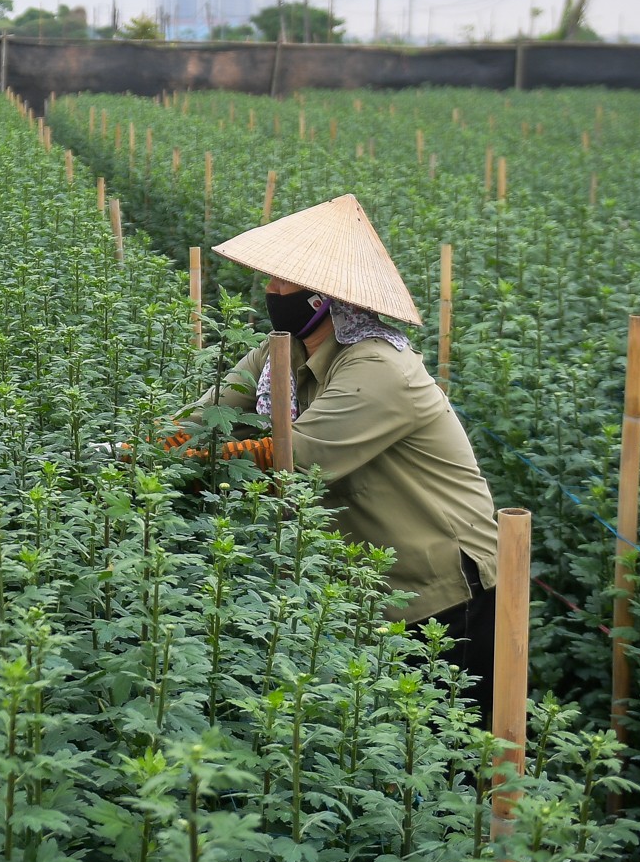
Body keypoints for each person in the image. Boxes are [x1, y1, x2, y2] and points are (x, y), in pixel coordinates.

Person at [170, 194, 502, 725]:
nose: (271, 293)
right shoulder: (279, 353)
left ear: (325, 297)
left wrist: (195, 462)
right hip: (369, 582)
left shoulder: (378, 366)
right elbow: (201, 421)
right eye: (271, 280)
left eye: (284, 283)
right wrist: (135, 450)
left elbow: (293, 458)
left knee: (455, 749)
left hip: (442, 586)